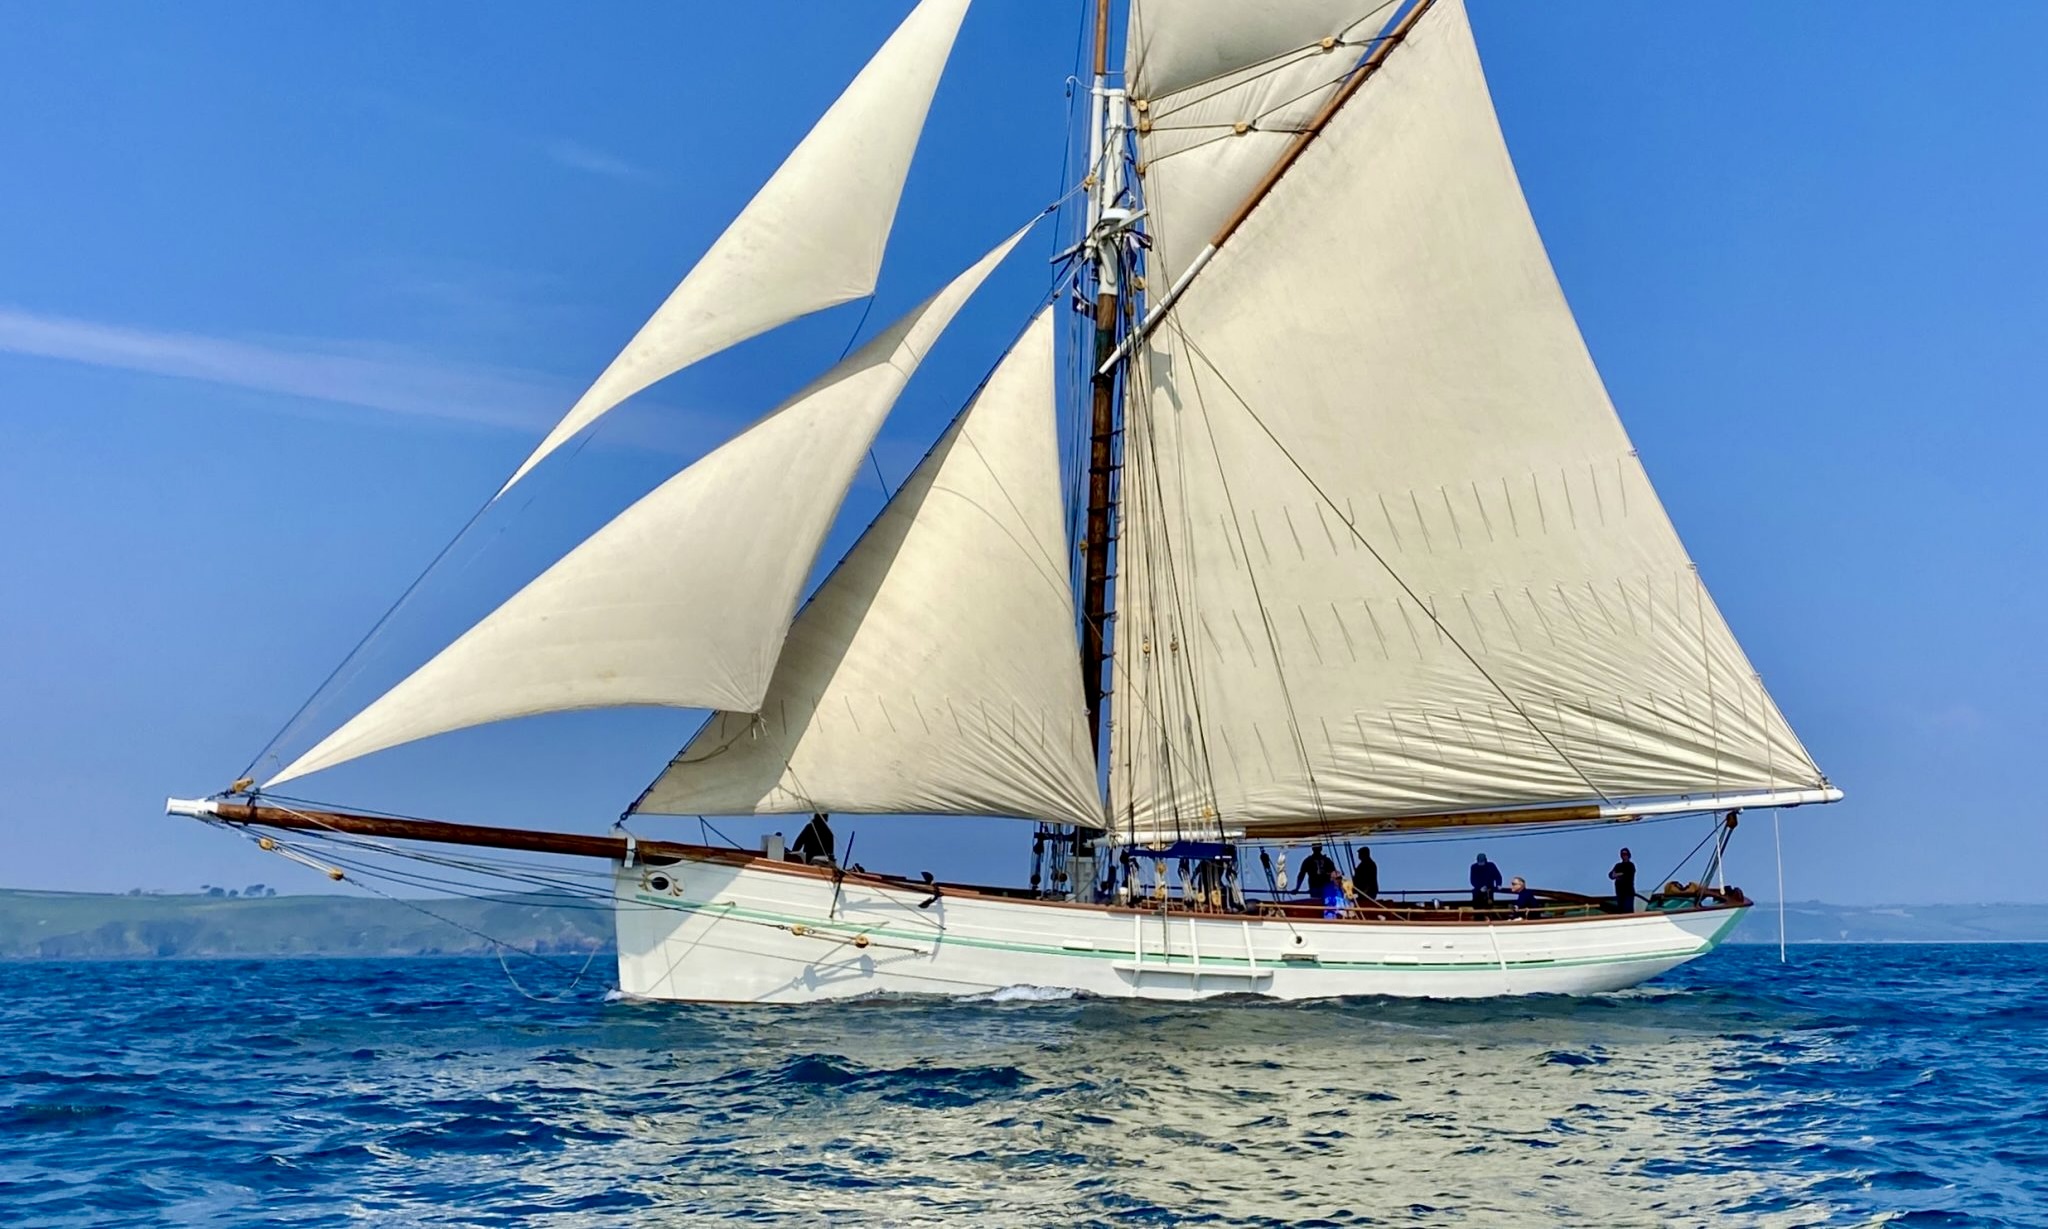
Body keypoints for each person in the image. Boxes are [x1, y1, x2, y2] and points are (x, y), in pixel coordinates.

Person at [1609, 847, 1637, 914]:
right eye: (1622, 854)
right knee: (1621, 911)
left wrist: (1617, 874)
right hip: (1620, 893)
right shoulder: (1618, 865)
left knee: (1628, 911)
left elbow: (1628, 874)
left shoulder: (1631, 865)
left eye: (1625, 854)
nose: (1624, 856)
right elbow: (1611, 875)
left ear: (1628, 855)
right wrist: (1615, 875)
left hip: (1628, 892)